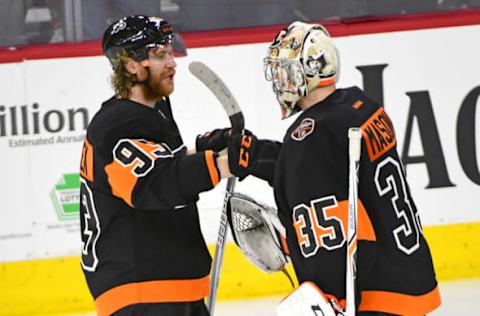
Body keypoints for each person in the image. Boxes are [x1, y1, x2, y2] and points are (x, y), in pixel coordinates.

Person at [226, 21, 441, 315]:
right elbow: (318, 168)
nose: (278, 79)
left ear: (305, 73)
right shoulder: (358, 105)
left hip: (373, 292)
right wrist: (254, 155)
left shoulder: (310, 135)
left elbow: (329, 227)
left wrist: (331, 299)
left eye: (285, 70)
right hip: (407, 266)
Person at [79, 15, 231, 316]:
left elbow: (162, 163)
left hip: (165, 288)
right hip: (143, 294)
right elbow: (153, 184)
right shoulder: (116, 124)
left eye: (171, 52)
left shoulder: (152, 111)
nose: (172, 62)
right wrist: (225, 164)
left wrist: (203, 148)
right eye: (160, 55)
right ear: (131, 66)